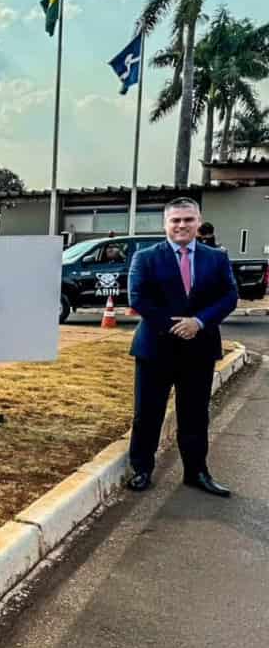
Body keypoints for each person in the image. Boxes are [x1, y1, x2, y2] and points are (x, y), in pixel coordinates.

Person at [126, 197, 238, 496]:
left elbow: (229, 296)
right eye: (175, 220)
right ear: (166, 224)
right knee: (147, 414)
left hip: (200, 348)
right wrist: (175, 326)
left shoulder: (216, 258)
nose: (181, 225)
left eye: (188, 219)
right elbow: (138, 298)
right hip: (155, 348)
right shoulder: (145, 257)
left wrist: (198, 322)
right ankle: (141, 469)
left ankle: (196, 472)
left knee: (195, 415)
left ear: (198, 222)